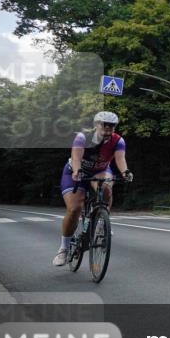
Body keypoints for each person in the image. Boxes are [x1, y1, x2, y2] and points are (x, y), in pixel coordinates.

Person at [54, 111, 133, 266]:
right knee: (75, 209)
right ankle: (63, 248)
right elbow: (76, 158)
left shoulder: (118, 141)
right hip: (76, 171)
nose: (108, 127)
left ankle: (102, 222)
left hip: (100, 170)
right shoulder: (83, 137)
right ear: (97, 125)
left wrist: (126, 172)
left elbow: (120, 159)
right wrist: (77, 171)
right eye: (105, 124)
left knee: (107, 188)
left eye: (112, 125)